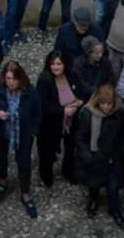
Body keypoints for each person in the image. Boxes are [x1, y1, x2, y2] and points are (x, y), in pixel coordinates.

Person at [0, 61, 42, 218]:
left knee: (24, 163)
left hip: (23, 134)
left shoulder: (30, 91)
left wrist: (33, 132)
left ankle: (25, 193)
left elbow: (38, 112)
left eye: (14, 79)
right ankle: (3, 180)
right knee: (1, 158)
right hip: (2, 133)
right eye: (8, 78)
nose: (11, 82)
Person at [74, 82, 124, 227]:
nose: (106, 107)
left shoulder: (118, 114)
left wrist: (123, 150)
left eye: (109, 104)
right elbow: (80, 137)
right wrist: (87, 155)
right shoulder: (87, 113)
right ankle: (94, 201)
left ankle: (115, 210)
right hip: (94, 156)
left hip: (112, 158)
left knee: (113, 186)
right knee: (94, 184)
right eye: (103, 103)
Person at [37, 50, 82, 186]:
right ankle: (46, 176)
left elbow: (80, 90)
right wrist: (63, 111)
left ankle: (68, 171)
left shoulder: (72, 75)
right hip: (51, 124)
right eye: (52, 64)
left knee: (70, 148)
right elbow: (42, 104)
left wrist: (80, 101)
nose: (55, 67)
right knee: (48, 152)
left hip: (71, 122)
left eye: (59, 64)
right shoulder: (45, 80)